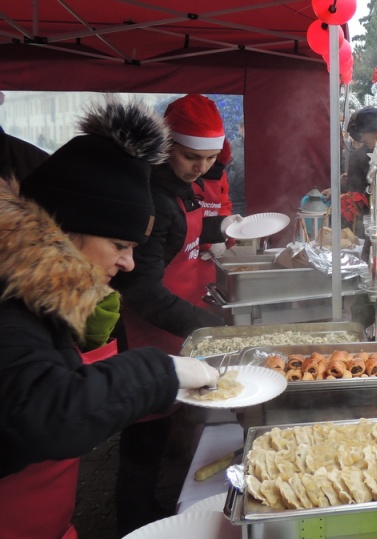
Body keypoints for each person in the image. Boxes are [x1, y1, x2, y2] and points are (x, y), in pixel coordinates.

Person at [0, 98, 219, 539]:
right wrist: (159, 370)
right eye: (120, 244)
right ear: (65, 230)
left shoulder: (39, 299)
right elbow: (45, 414)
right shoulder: (9, 308)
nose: (128, 263)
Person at [109, 94, 239, 534]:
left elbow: (193, 229)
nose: (199, 167)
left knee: (166, 419)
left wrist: (231, 229)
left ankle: (157, 500)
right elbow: (140, 289)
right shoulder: (149, 197)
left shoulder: (180, 186)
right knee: (144, 430)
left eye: (207, 158)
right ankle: (134, 518)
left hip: (176, 318)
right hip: (146, 327)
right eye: (190, 156)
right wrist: (208, 327)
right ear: (167, 146)